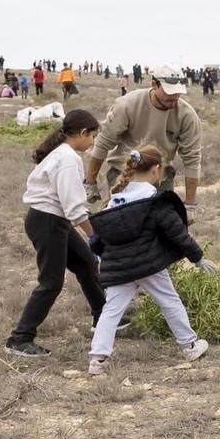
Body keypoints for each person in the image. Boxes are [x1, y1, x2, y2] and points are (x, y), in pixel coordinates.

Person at [86, 147, 212, 375]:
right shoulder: (154, 201)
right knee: (169, 301)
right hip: (148, 264)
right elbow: (177, 233)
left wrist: (105, 259)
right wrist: (198, 257)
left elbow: (96, 241)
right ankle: (190, 346)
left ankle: (98, 359)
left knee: (111, 310)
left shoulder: (113, 201)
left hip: (119, 266)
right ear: (156, 170)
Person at [5, 108, 105, 358]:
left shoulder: (62, 153)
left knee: (87, 264)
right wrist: (95, 235)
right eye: (92, 136)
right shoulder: (68, 159)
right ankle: (20, 338)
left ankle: (103, 319)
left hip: (52, 220)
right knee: (51, 282)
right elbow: (74, 209)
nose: (93, 142)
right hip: (48, 221)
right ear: (82, 133)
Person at [84, 69, 205, 203]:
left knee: (161, 222)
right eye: (169, 92)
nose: (174, 97)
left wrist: (190, 204)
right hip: (124, 174)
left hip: (160, 177)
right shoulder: (127, 105)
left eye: (178, 93)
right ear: (154, 84)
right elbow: (103, 142)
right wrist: (90, 182)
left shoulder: (187, 116)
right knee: (122, 221)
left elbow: (192, 160)